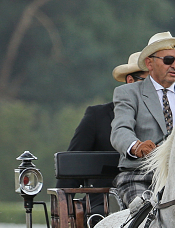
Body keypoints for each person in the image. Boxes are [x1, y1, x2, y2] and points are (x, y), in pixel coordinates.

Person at [110, 32, 175, 209]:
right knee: (145, 213)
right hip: (140, 175)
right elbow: (120, 130)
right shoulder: (128, 93)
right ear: (149, 63)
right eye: (168, 60)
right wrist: (135, 146)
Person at [60, 52, 147, 219]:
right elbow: (72, 167)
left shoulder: (167, 118)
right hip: (105, 204)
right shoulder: (96, 117)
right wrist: (64, 213)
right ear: (130, 81)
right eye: (148, 82)